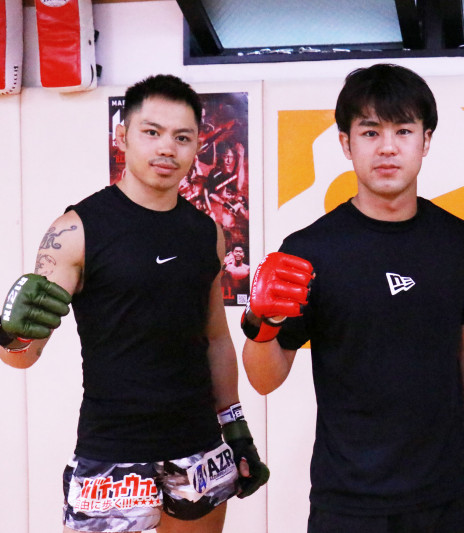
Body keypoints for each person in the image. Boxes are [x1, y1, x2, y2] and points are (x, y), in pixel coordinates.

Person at [240, 64, 464, 532]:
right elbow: (264, 380)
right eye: (370, 132)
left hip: (445, 494)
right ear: (346, 143)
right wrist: (261, 321)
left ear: (425, 141)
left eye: (403, 130)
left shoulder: (458, 240)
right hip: (347, 501)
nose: (387, 147)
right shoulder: (309, 250)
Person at [0, 74, 269, 533]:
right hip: (112, 448)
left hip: (198, 443)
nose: (167, 148)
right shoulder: (75, 230)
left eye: (181, 137)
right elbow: (21, 358)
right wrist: (12, 333)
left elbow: (216, 339)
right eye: (152, 132)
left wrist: (235, 427)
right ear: (122, 136)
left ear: (196, 146)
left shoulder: (207, 233)